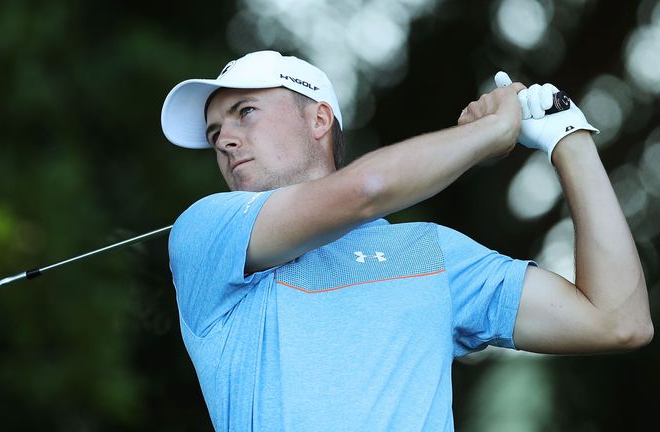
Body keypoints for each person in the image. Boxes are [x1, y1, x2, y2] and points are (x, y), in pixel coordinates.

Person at [159, 50, 653, 431]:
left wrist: (569, 135)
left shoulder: (431, 253)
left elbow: (617, 321)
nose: (223, 140)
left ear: (318, 119)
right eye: (214, 130)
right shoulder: (205, 232)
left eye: (245, 111)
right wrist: (494, 132)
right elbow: (365, 191)